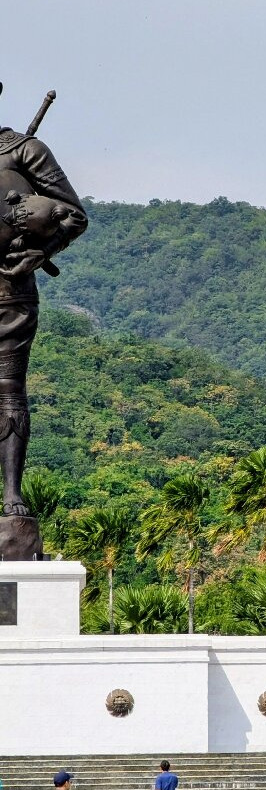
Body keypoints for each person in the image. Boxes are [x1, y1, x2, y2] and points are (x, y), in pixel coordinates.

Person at [0, 91, 86, 547]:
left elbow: (73, 214)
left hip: (8, 291)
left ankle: (11, 493)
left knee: (8, 389)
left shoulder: (23, 150)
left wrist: (41, 251)